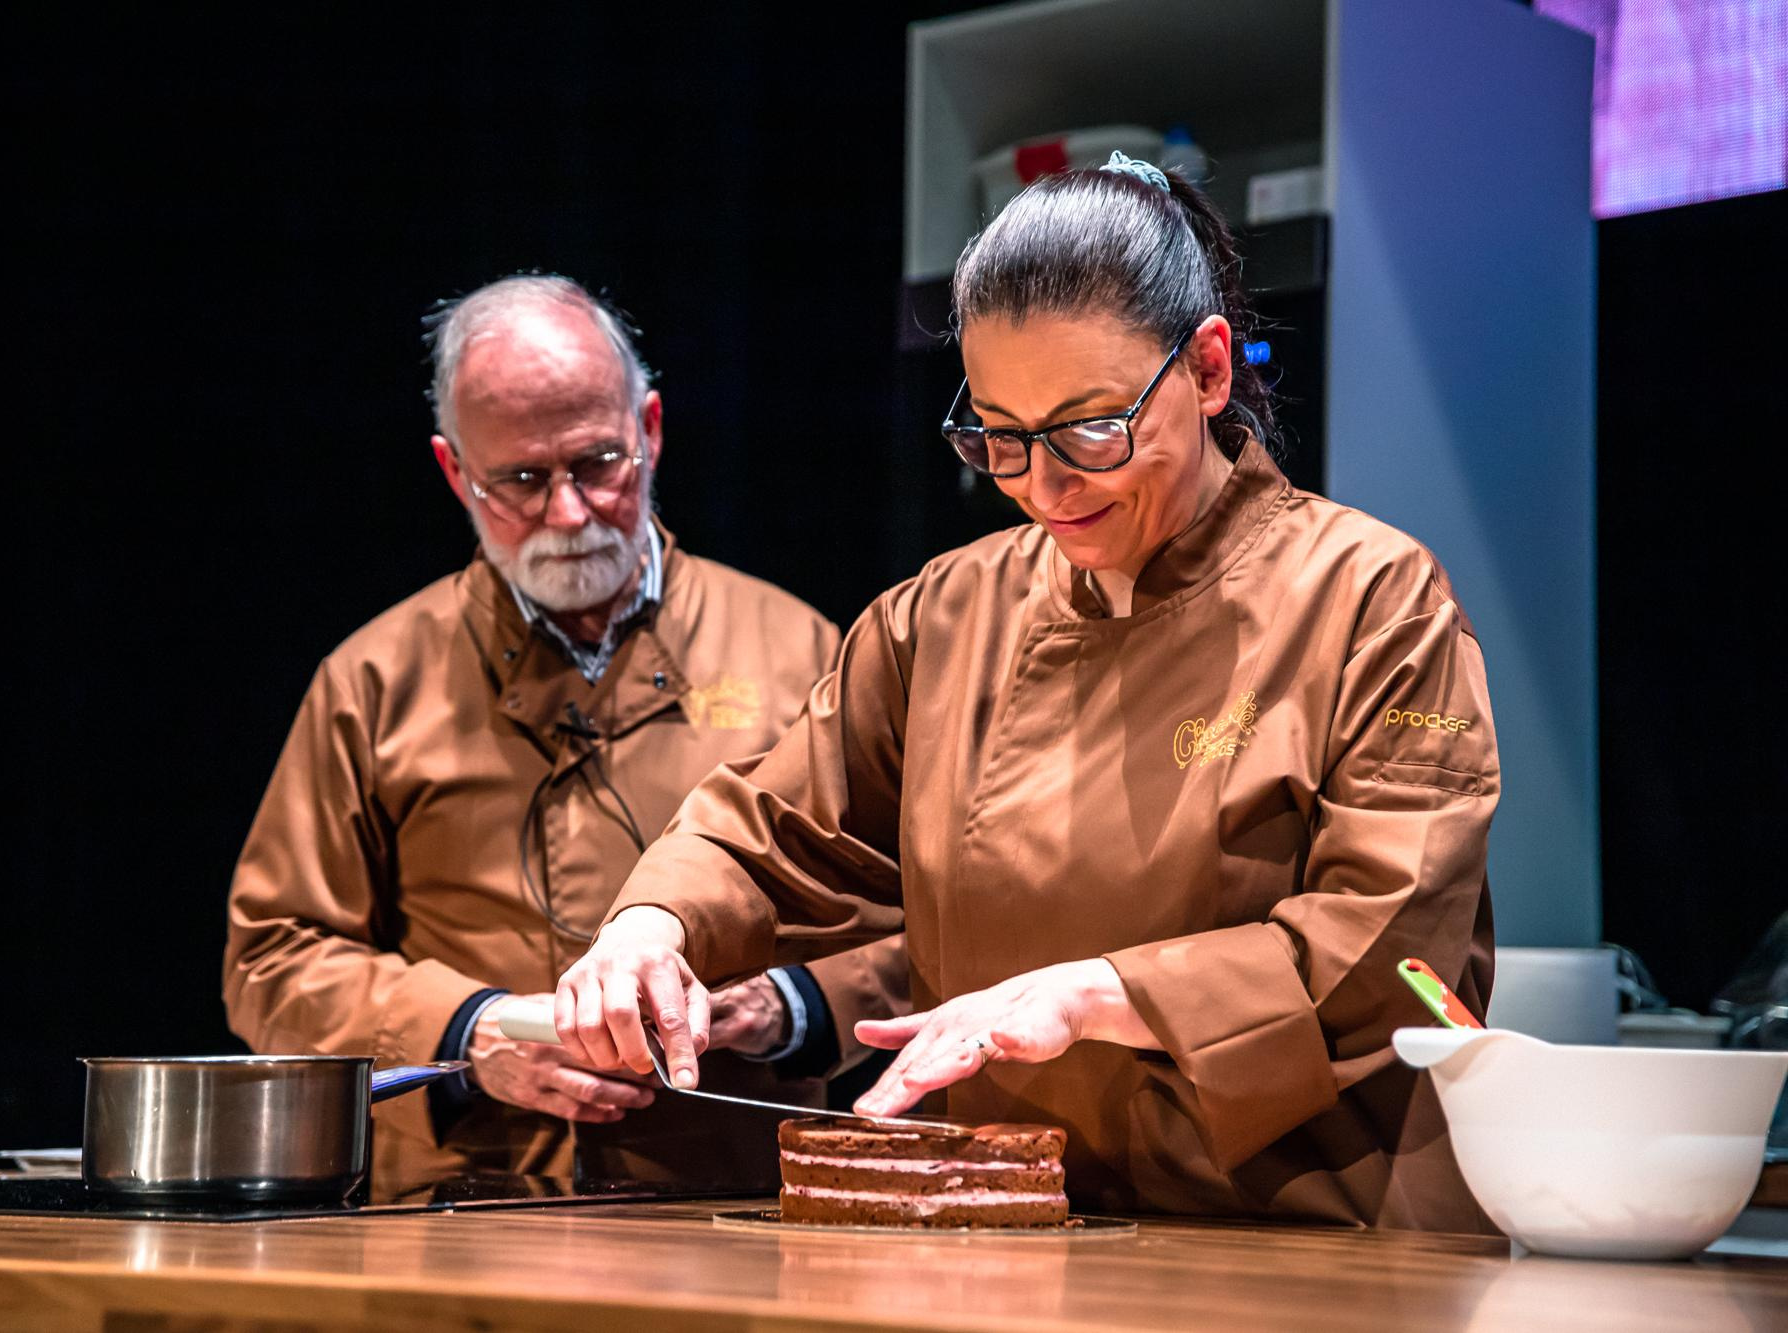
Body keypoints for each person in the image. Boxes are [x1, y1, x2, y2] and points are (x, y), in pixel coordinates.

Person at [553, 157, 1499, 1231]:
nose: (1044, 487)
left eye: (1090, 429)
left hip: (1305, 1229)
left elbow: (1394, 948)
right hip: (1016, 1226)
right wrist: (647, 926)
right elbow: (767, 825)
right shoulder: (944, 616)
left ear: (1206, 368)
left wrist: (1096, 992)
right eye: (999, 436)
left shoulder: (1369, 596)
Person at [223, 275, 907, 1194]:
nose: (569, 514)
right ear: (454, 472)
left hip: (733, 1205)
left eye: (597, 465)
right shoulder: (374, 679)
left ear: (652, 430)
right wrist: (469, 1028)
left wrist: (784, 1003)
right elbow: (272, 955)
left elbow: (927, 916)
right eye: (521, 481)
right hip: (463, 1209)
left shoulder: (801, 650)